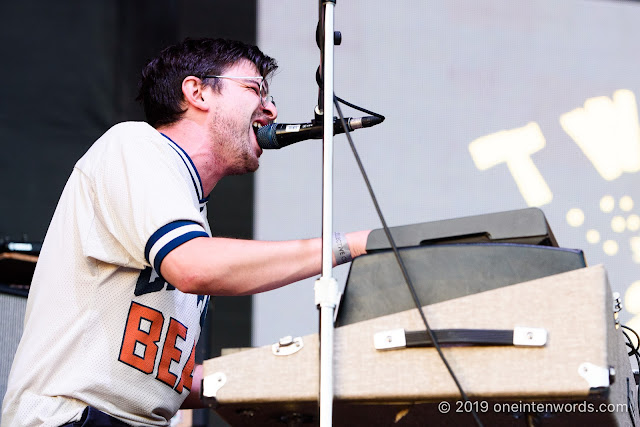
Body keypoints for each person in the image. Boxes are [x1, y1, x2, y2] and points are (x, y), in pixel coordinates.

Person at [1, 38, 370, 426]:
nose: (271, 108)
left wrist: (295, 373)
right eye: (255, 89)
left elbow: (163, 377)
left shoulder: (190, 211)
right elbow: (193, 267)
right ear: (197, 92)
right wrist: (348, 246)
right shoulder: (134, 146)